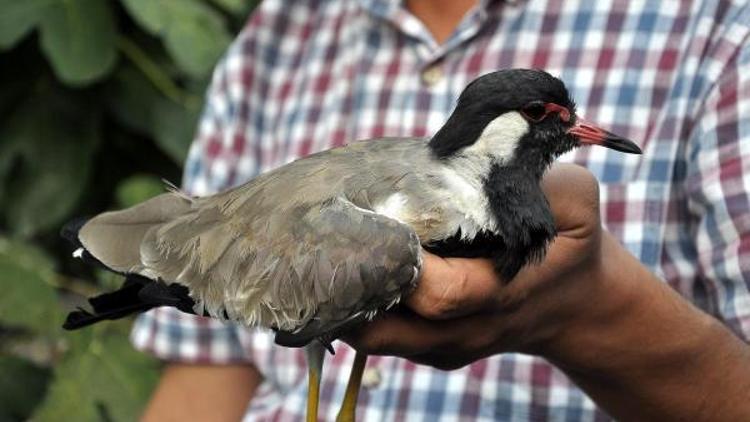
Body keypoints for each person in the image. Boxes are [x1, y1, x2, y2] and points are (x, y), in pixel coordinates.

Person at [131, 0, 750, 420]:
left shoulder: (719, 30)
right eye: (544, 118)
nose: (580, 132)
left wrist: (591, 311)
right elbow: (208, 370)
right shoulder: (280, 26)